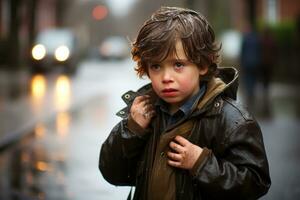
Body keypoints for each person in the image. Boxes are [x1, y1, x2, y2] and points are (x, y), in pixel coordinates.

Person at [99, 6, 271, 200]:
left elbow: (256, 182)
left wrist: (202, 164)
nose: (166, 77)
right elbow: (112, 172)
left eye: (178, 65)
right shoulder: (142, 115)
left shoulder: (232, 120)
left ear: (203, 64)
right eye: (156, 66)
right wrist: (131, 131)